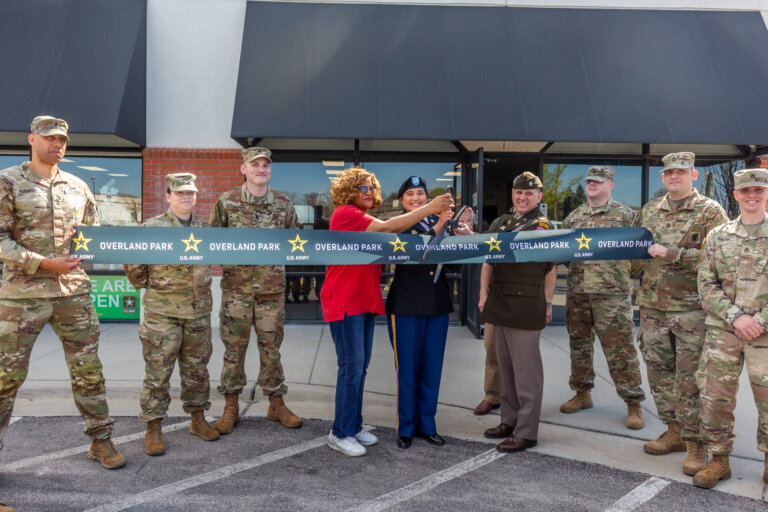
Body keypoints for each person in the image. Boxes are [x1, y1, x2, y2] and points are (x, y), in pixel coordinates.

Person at [0, 116, 125, 469]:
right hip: (22, 297)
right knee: (5, 378)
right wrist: (42, 263)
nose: (57, 144)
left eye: (62, 140)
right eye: (50, 138)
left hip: (73, 295)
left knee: (88, 371)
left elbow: (94, 235)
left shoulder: (77, 186)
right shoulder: (8, 181)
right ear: (32, 139)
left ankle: (101, 442)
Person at [321, 167, 453, 456]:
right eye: (361, 188)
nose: (368, 193)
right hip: (345, 301)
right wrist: (430, 207)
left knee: (359, 368)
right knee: (351, 368)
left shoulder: (364, 218)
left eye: (371, 188)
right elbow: (387, 228)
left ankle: (353, 425)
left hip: (364, 301)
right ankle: (340, 432)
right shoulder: (345, 214)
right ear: (348, 191)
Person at [634, 152, 728, 476]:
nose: (674, 177)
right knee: (659, 375)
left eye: (681, 172)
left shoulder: (710, 211)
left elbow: (718, 258)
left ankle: (695, 442)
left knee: (690, 379)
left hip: (691, 310)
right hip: (652, 307)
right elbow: (633, 250)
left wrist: (671, 252)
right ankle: (673, 431)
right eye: (669, 173)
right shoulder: (649, 210)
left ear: (694, 175)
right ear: (663, 177)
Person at [124, 173, 219, 456]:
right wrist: (151, 287)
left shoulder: (206, 228)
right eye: (179, 193)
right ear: (167, 196)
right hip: (161, 314)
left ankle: (197, 419)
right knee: (158, 374)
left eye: (190, 193)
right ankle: (154, 427)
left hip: (198, 312)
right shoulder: (152, 227)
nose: (186, 197)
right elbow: (133, 264)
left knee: (197, 372)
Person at [209, 147, 302, 433]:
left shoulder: (284, 203)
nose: (261, 169)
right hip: (236, 291)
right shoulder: (227, 201)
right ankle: (231, 406)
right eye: (255, 165)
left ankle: (276, 404)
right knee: (233, 350)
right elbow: (212, 241)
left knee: (271, 349)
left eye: (265, 165)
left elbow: (295, 243)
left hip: (270, 293)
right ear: (243, 169)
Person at [693, 168, 768, 489]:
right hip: (723, 332)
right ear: (736, 195)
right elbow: (705, 283)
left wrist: (759, 321)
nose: (752, 196)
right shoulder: (718, 236)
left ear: (766, 194)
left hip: (765, 335)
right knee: (715, 399)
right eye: (745, 191)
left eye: (758, 191)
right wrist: (736, 316)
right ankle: (719, 460)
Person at [386, 176, 473, 449]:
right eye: (410, 194)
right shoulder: (399, 223)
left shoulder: (445, 224)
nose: (416, 198)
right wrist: (438, 228)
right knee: (408, 370)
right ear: (401, 201)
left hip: (436, 303)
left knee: (431, 369)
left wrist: (462, 237)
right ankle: (406, 427)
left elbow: (455, 267)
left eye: (420, 194)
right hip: (406, 304)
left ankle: (427, 424)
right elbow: (411, 256)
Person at [559, 166, 645, 429]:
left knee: (620, 350)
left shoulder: (627, 216)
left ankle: (633, 403)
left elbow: (639, 256)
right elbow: (563, 253)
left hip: (612, 296)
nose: (592, 185)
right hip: (578, 293)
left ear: (610, 184)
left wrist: (616, 275)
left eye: (598, 181)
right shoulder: (574, 217)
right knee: (579, 347)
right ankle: (582, 393)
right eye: (589, 181)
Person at [479, 171, 557, 453]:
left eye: (528, 193)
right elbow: (485, 249)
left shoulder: (542, 225)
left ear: (539, 197)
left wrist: (549, 302)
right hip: (500, 302)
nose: (522, 197)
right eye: (517, 192)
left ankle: (527, 431)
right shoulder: (504, 221)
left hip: (524, 304)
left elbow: (540, 261)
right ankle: (509, 421)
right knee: (506, 369)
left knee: (526, 373)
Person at [473, 324, 501, 416]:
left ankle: (521, 400)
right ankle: (492, 396)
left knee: (520, 353)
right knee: (491, 346)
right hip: (494, 310)